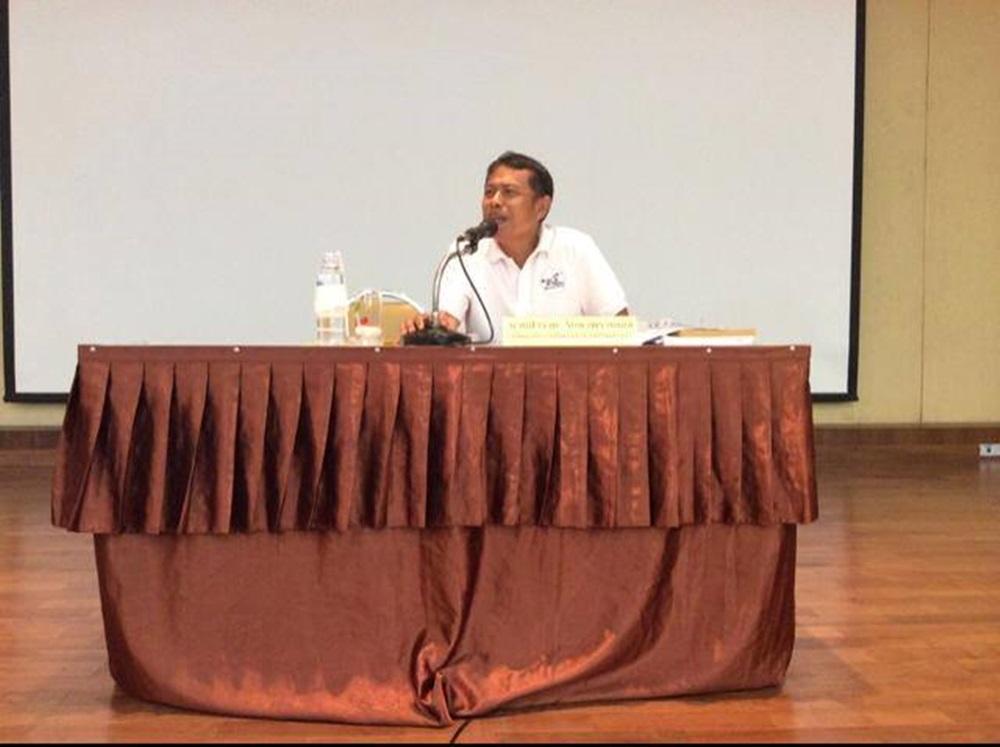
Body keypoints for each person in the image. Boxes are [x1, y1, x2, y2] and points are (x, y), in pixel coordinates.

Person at [402, 151, 628, 342]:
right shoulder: (465, 252)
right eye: (489, 192)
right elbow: (447, 321)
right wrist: (431, 326)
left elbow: (620, 328)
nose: (495, 201)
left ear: (541, 207)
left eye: (509, 192)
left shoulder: (576, 248)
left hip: (566, 378)